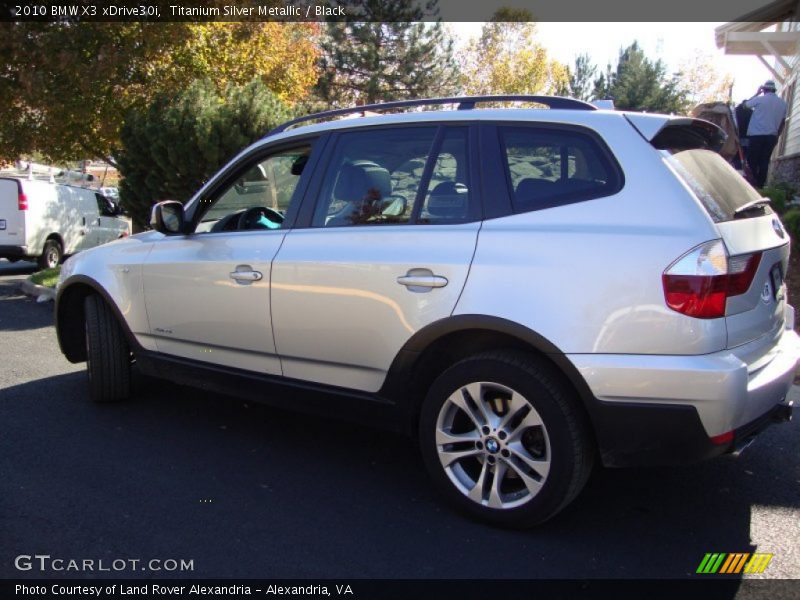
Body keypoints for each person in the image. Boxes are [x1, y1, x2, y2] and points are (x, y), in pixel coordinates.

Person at [744, 79, 788, 188]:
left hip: (756, 135)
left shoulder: (760, 99)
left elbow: (744, 106)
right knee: (764, 160)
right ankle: (760, 184)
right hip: (771, 136)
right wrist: (777, 135)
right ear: (774, 90)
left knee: (751, 159)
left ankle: (753, 181)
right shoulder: (783, 103)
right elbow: (783, 122)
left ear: (764, 89)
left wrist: (757, 93)